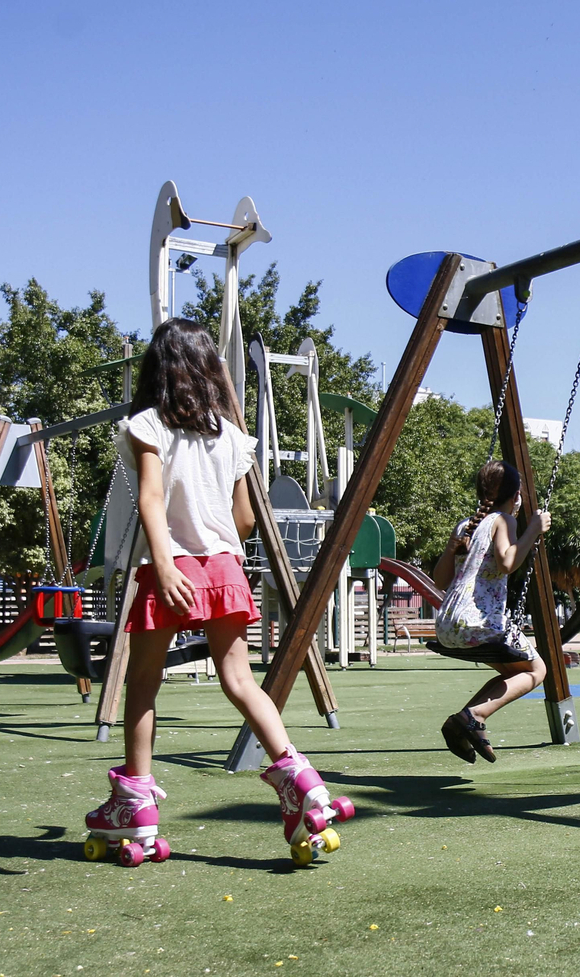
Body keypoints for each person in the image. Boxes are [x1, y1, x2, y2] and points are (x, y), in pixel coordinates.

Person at [84, 318, 350, 868]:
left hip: (171, 567)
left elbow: (152, 499)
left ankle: (135, 803)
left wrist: (164, 561)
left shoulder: (147, 425)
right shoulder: (232, 437)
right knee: (240, 681)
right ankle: (301, 777)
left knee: (143, 685)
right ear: (210, 372)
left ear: (159, 370)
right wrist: (218, 548)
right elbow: (247, 518)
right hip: (225, 566)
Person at [429, 460, 552, 764]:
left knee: (514, 673)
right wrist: (533, 530)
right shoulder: (503, 520)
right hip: (479, 621)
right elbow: (507, 561)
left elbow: (439, 581)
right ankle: (474, 714)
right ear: (516, 495)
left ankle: (463, 721)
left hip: (447, 625)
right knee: (538, 671)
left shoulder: (466, 525)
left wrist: (450, 549)